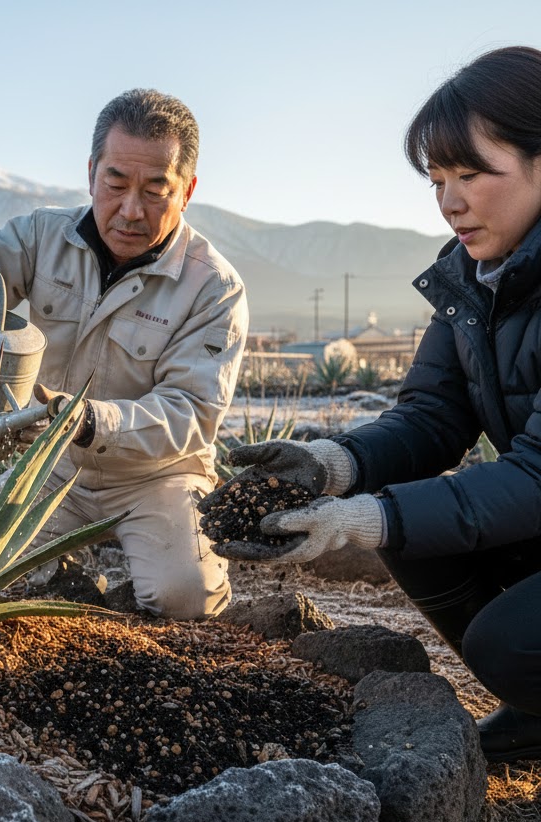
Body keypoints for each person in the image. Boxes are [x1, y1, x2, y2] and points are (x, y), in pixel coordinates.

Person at [203, 46, 541, 762]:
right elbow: (432, 417)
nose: (450, 200)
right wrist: (329, 466)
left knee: (508, 640)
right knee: (412, 525)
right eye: (438, 179)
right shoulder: (474, 283)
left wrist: (364, 518)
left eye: (472, 173)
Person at [0, 88, 249, 620]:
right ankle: (69, 569)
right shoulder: (43, 236)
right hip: (51, 466)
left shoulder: (215, 288)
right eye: (115, 183)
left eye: (156, 189)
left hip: (158, 475)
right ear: (92, 172)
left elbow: (192, 413)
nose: (131, 210)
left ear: (187, 191)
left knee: (186, 597)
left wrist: (92, 420)